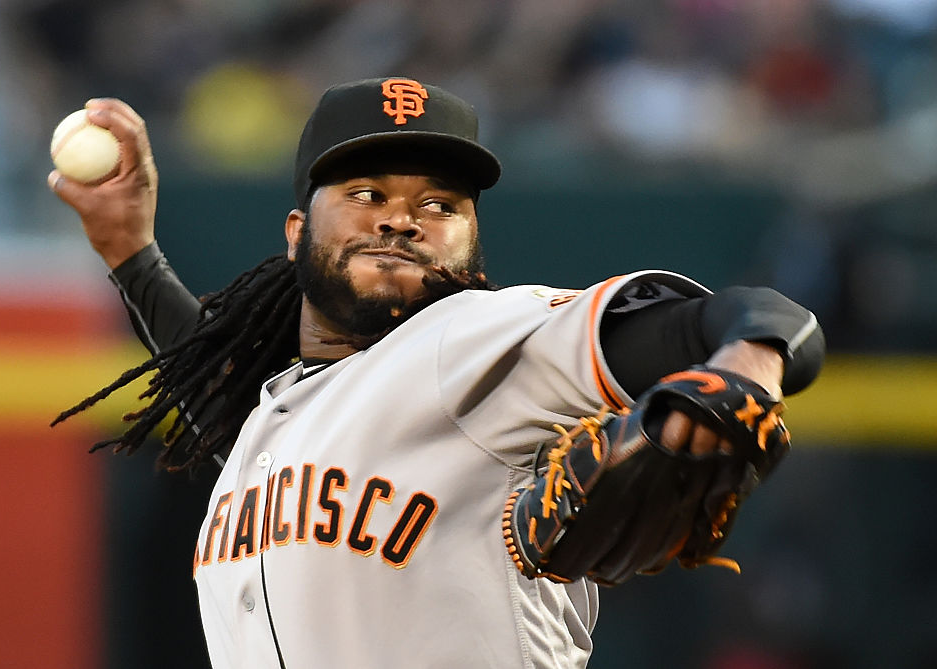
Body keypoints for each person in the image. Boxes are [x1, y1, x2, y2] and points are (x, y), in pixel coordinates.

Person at [49, 77, 825, 669]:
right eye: (366, 194)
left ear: (473, 243)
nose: (401, 217)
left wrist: (750, 367)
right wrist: (129, 247)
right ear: (295, 233)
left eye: (440, 204)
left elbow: (738, 318)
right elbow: (222, 406)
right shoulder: (274, 423)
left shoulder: (476, 340)